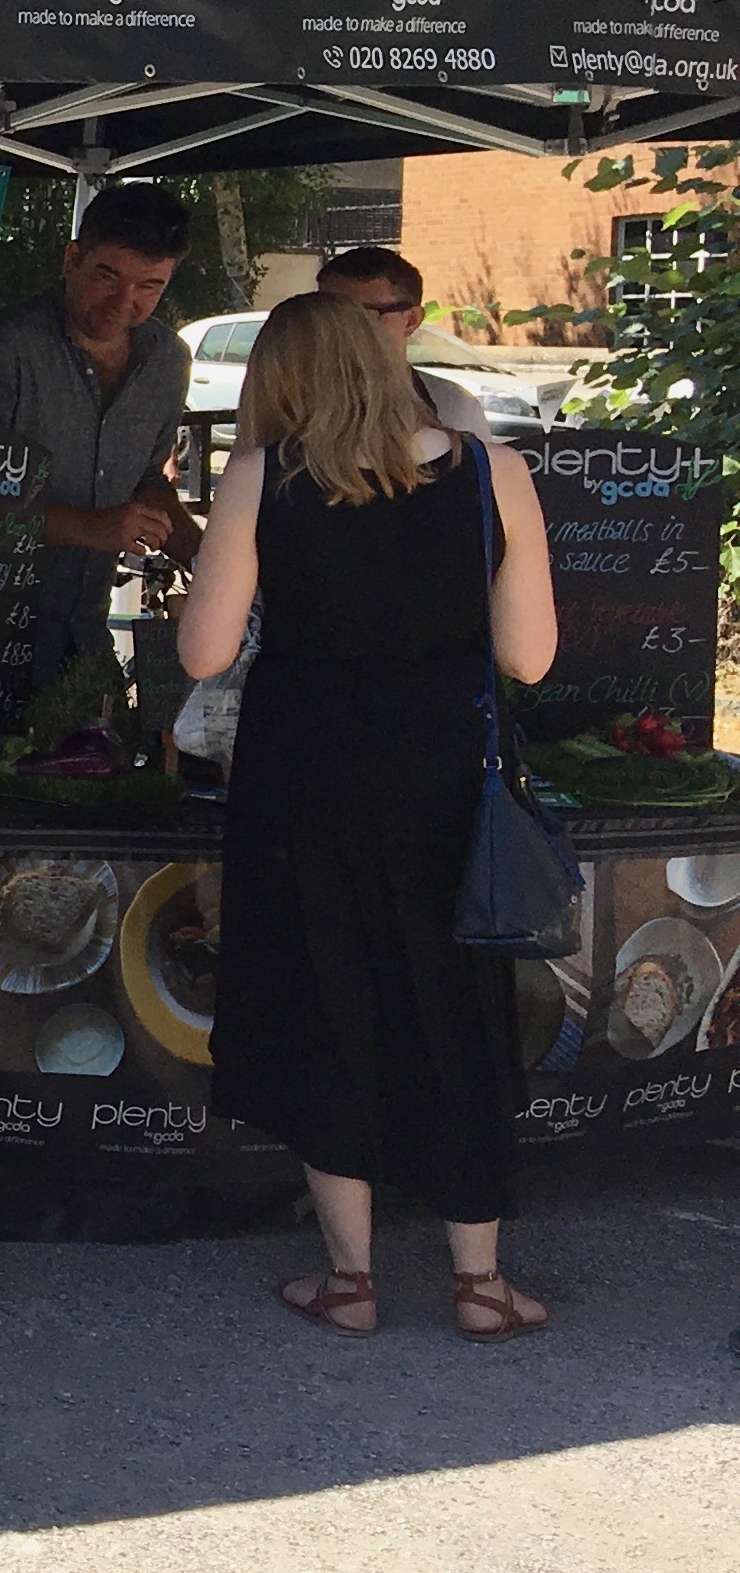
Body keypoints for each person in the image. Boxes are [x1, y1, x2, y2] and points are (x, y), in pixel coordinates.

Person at [179, 293, 557, 1341]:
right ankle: (480, 1281)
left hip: (305, 773)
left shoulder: (262, 478)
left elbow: (204, 654)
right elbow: (529, 658)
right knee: (455, 1000)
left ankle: (350, 1280)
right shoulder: (496, 474)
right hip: (446, 767)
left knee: (321, 990)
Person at [0, 184, 200, 688]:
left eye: (150, 286)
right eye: (107, 276)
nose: (126, 302)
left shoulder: (167, 360)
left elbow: (148, 482)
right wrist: (91, 528)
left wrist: (201, 557)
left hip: (85, 638)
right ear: (72, 258)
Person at [317, 243, 493, 438]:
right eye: (329, 314)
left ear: (411, 320)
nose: (343, 326)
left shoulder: (452, 408)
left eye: (365, 315)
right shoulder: (290, 399)